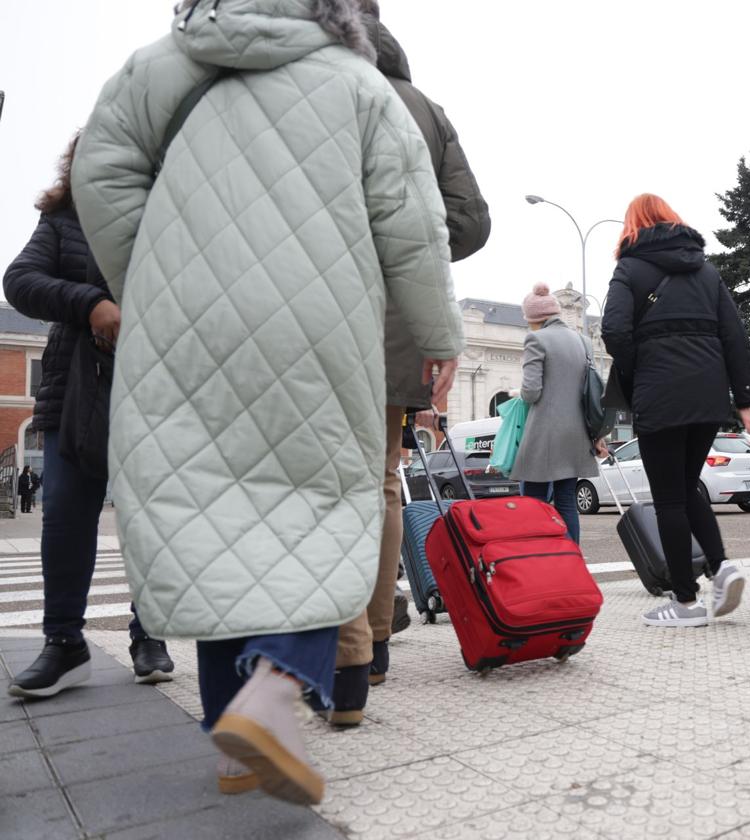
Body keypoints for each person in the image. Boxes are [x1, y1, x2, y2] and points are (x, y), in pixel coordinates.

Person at [71, 0, 462, 805]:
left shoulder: (161, 65)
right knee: (327, 506)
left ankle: (236, 740)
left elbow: (99, 170)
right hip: (318, 327)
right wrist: (436, 334)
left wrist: (151, 277)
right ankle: (275, 691)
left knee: (210, 519)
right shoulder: (358, 84)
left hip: (184, 327)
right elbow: (413, 221)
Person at [328, 0, 491, 728]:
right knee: (382, 484)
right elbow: (471, 219)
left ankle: (334, 650)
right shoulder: (425, 108)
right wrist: (411, 250)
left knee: (316, 483)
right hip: (398, 321)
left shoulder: (315, 87)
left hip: (316, 310)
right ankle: (379, 642)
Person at [4, 134, 175, 701]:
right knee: (66, 518)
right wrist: (90, 304)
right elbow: (20, 282)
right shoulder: (62, 220)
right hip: (72, 388)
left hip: (153, 387)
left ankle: (149, 635)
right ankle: (64, 644)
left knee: (151, 522)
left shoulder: (172, 216)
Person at [601, 194, 750, 628]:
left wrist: (640, 370)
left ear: (633, 225)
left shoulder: (630, 269)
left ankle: (685, 602)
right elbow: (734, 335)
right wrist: (744, 399)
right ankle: (722, 567)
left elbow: (613, 329)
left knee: (669, 498)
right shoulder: (707, 271)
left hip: (661, 394)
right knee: (688, 488)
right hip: (708, 396)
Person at [508, 283, 600, 543]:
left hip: (546, 434)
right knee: (567, 501)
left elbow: (532, 392)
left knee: (533, 500)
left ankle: (542, 559)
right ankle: (573, 560)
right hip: (577, 433)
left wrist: (517, 392)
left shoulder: (536, 339)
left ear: (534, 319)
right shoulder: (583, 342)